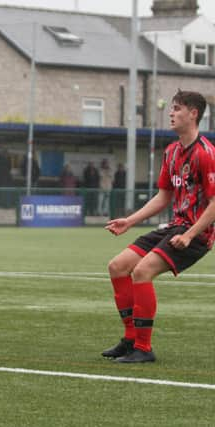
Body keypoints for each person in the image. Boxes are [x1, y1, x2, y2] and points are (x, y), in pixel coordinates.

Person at [103, 90, 215, 363]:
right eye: (171, 109)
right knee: (117, 266)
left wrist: (190, 235)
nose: (171, 113)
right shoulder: (172, 152)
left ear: (193, 113)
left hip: (197, 233)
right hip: (174, 227)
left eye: (177, 108)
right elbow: (164, 195)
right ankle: (130, 339)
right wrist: (130, 220)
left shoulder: (206, 153)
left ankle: (143, 347)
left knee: (141, 272)